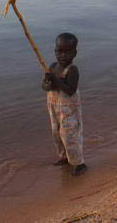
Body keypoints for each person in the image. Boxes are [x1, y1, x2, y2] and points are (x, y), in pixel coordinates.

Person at [42, 32, 87, 176]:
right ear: (55, 51)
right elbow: (45, 86)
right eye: (59, 51)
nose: (62, 55)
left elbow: (70, 90)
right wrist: (48, 82)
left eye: (67, 52)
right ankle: (64, 157)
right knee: (56, 133)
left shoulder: (72, 70)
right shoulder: (53, 66)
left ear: (74, 53)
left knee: (69, 135)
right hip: (54, 107)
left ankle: (79, 163)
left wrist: (55, 79)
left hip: (69, 109)